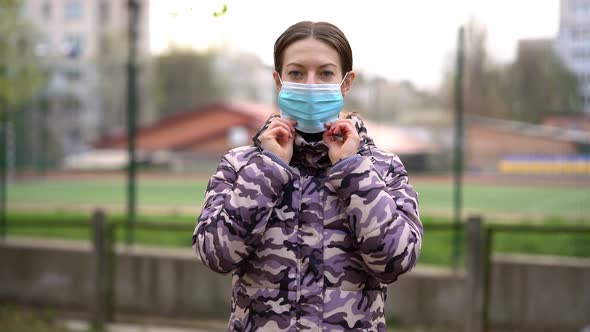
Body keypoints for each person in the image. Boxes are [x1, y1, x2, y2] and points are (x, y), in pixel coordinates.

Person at [193, 21, 423, 332]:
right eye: (297, 73)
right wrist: (270, 168)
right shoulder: (240, 165)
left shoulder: (382, 168)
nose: (311, 84)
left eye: (325, 73)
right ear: (279, 81)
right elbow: (215, 254)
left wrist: (351, 169)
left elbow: (396, 260)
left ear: (346, 82)